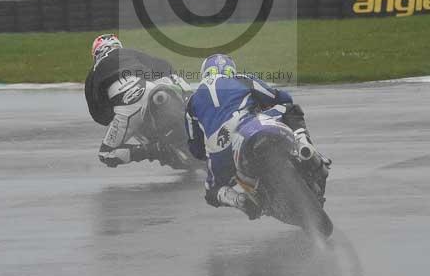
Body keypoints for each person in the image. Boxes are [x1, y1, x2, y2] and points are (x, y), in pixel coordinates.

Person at [185, 53, 327, 219]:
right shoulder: (241, 78)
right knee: (290, 109)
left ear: (205, 73)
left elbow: (195, 149)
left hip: (219, 149)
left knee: (211, 192)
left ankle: (239, 200)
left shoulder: (191, 102)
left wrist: (210, 153)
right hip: (247, 124)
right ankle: (305, 147)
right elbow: (281, 98)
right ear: (230, 69)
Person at [85, 34, 191, 167]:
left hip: (127, 108)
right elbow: (164, 65)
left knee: (106, 154)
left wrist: (115, 115)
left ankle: (155, 150)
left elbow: (99, 116)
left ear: (96, 53)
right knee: (172, 78)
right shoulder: (128, 52)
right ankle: (191, 104)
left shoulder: (93, 73)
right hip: (152, 88)